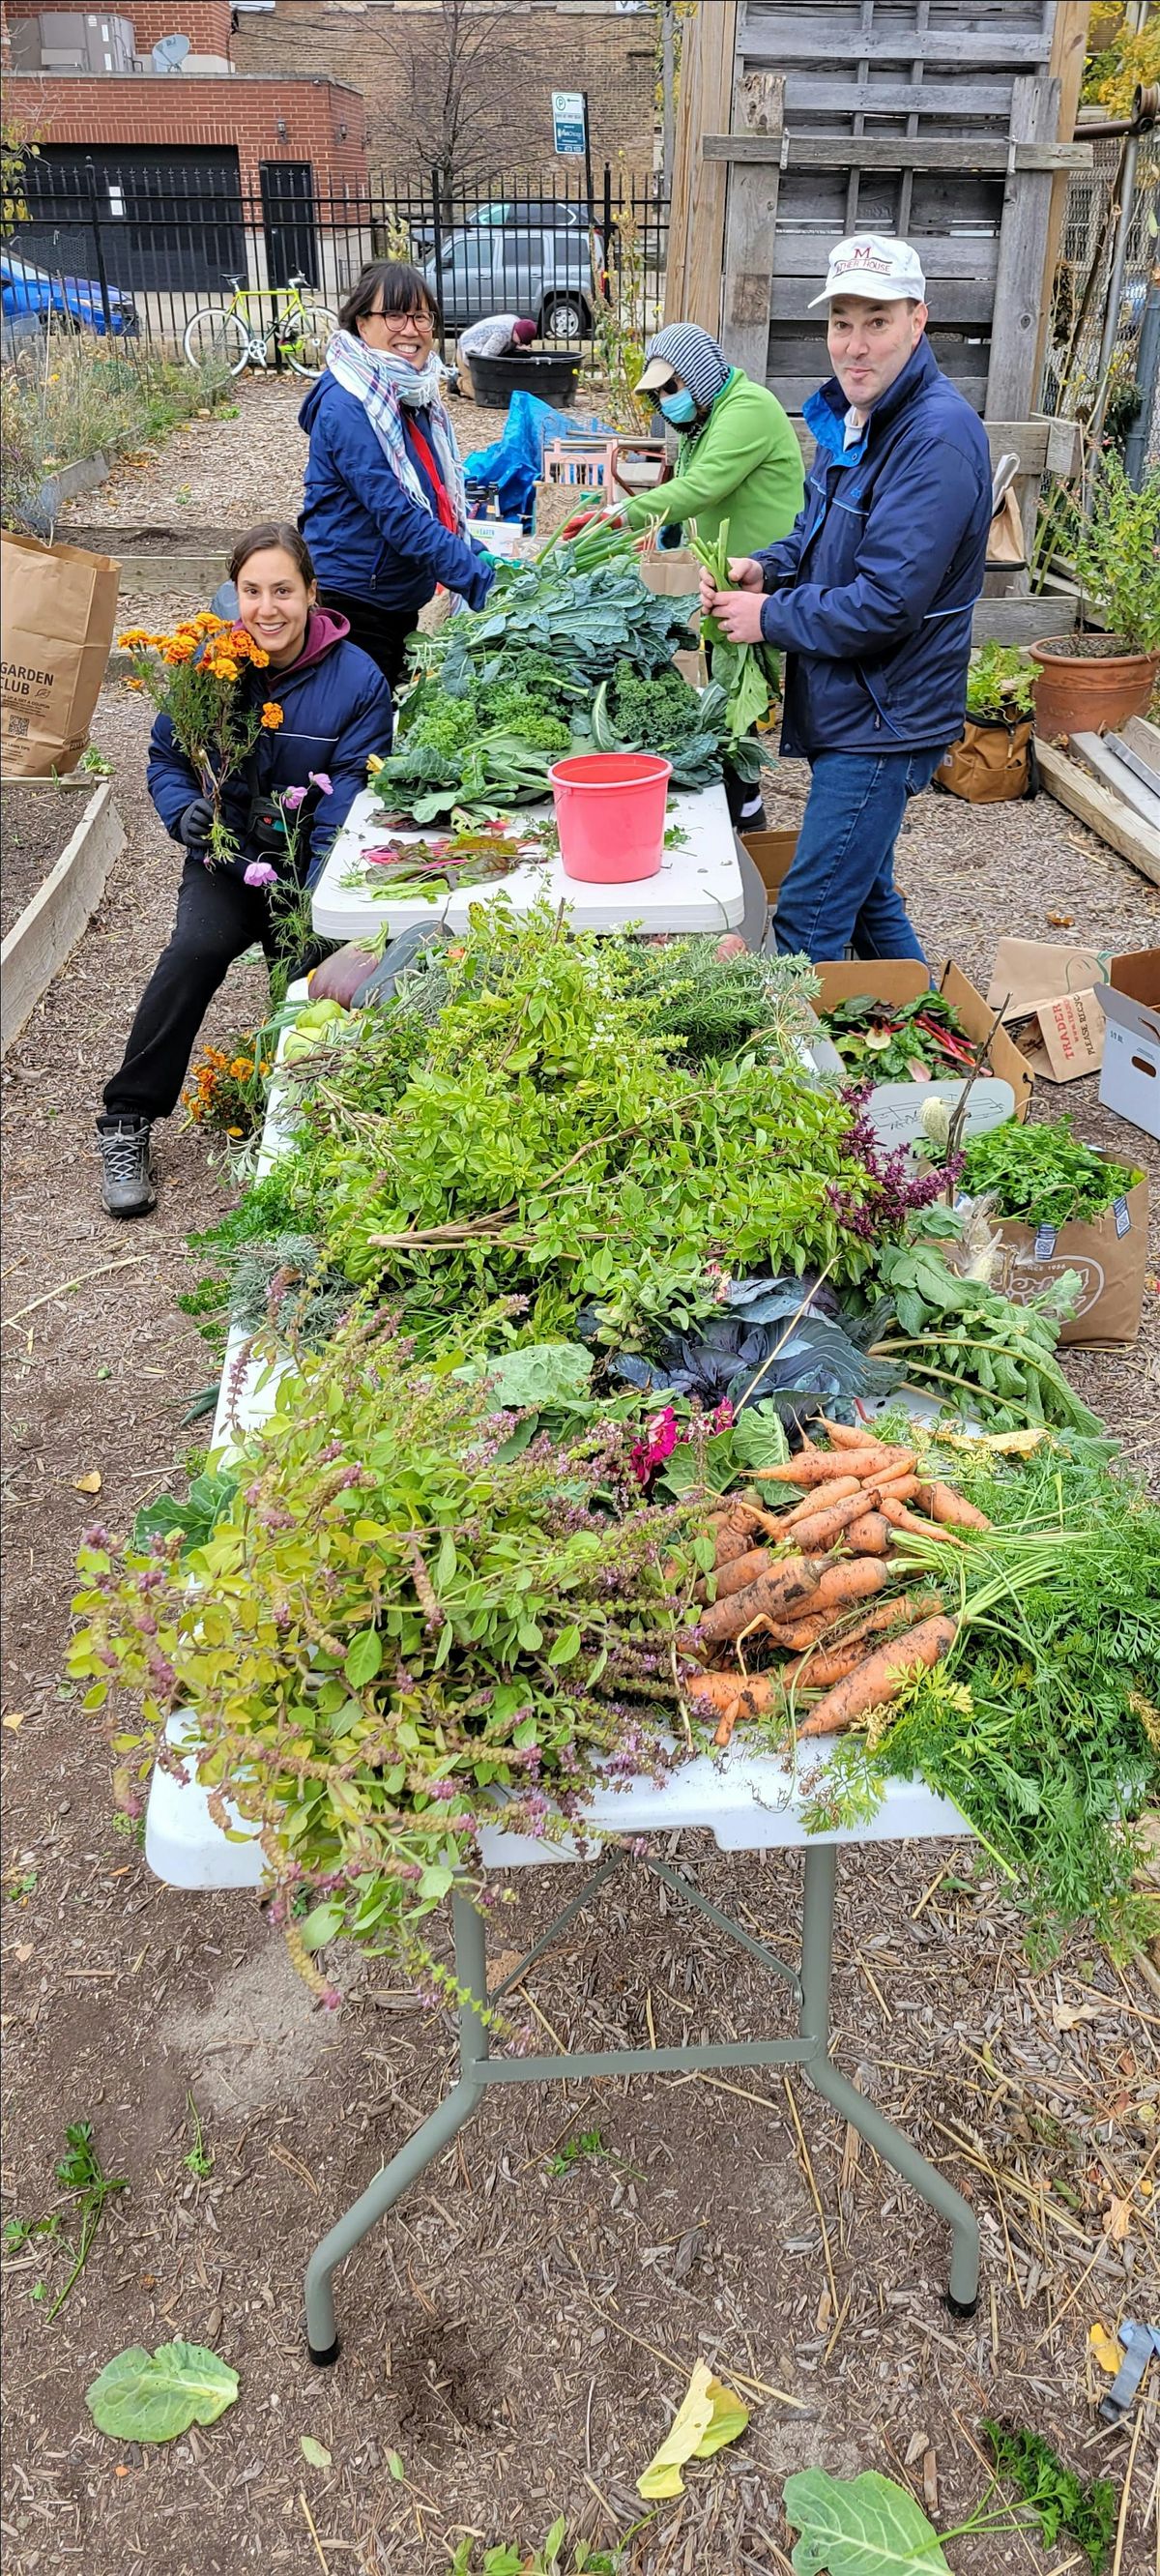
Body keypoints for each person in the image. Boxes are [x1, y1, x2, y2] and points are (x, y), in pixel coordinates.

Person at [698, 234, 992, 961]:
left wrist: (767, 618)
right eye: (841, 323)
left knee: (811, 917)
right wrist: (765, 569)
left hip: (885, 719)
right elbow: (813, 530)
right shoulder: (855, 417)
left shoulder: (936, 440)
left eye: (877, 322)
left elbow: (888, 604)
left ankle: (793, 1071)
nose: (854, 346)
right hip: (859, 702)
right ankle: (934, 1040)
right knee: (865, 897)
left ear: (918, 322)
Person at [97, 523, 392, 1219]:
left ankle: (306, 1127)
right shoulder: (210, 663)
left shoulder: (357, 681)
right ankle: (126, 1118)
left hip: (304, 867)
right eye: (252, 591)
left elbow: (347, 795)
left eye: (283, 591)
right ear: (236, 595)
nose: (267, 608)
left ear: (312, 594)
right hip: (226, 862)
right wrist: (183, 812)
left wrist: (317, 893)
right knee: (193, 951)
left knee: (309, 986)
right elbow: (166, 758)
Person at [565, 322, 804, 827]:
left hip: (762, 571)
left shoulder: (747, 409)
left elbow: (701, 488)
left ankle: (746, 809)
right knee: (725, 687)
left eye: (672, 387)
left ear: (697, 372)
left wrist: (619, 516)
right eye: (660, 394)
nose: (668, 402)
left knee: (737, 690)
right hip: (726, 575)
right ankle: (740, 798)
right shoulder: (705, 418)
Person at [299, 261, 495, 694]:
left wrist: (482, 557)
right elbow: (399, 514)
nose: (410, 329)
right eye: (394, 315)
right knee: (363, 736)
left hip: (395, 595)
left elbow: (436, 499)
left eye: (421, 316)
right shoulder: (348, 404)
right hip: (353, 601)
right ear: (361, 322)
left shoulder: (409, 394)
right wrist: (480, 579)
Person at [457, 313, 536, 364]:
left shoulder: (515, 320)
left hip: (472, 339)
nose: (520, 344)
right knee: (474, 386)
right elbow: (485, 359)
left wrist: (516, 346)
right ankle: (456, 381)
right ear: (515, 332)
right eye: (520, 341)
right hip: (467, 347)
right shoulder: (501, 335)